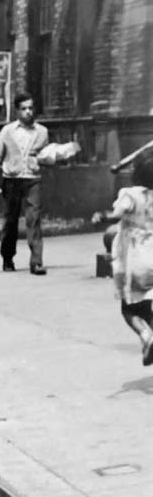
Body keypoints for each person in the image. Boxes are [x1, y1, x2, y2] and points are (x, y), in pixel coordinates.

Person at [91, 156, 153, 365]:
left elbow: (118, 213)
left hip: (135, 259)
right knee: (147, 305)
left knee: (128, 309)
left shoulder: (131, 194)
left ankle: (146, 335)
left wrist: (102, 216)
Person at [0, 92, 49, 274]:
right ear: (17, 111)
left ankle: (36, 261)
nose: (28, 112)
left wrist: (51, 157)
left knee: (33, 219)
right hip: (11, 180)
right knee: (10, 220)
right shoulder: (8, 131)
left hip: (33, 179)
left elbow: (45, 155)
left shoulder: (42, 132)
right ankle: (7, 257)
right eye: (24, 109)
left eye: (31, 108)